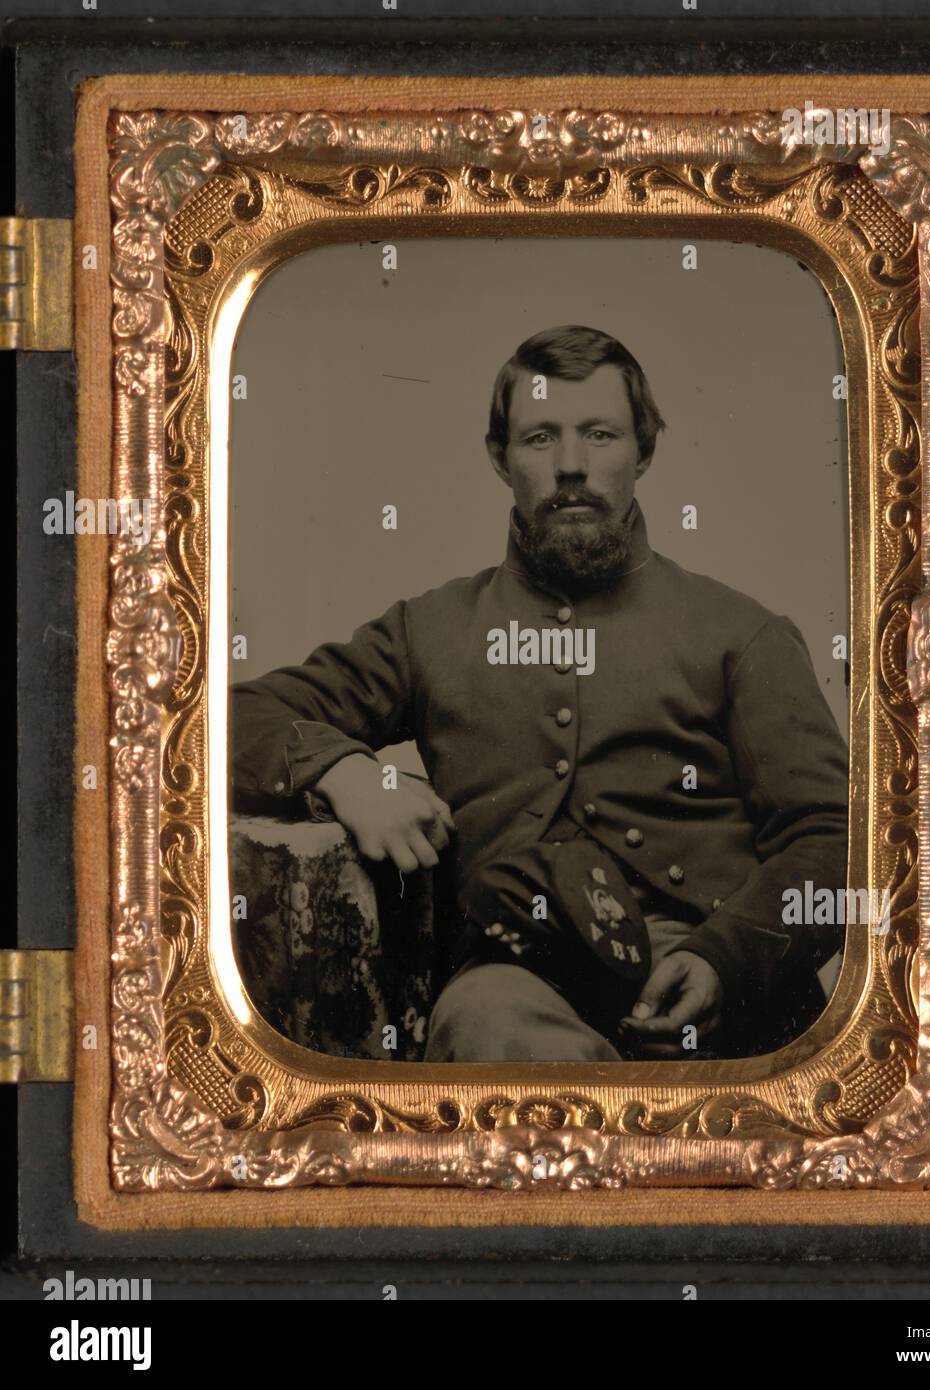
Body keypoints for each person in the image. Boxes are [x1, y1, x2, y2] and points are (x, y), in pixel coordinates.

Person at [231, 325, 849, 1062]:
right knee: (490, 1029)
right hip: (518, 980)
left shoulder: (741, 634)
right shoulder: (428, 631)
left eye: (599, 435)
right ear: (500, 458)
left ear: (643, 450)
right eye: (538, 439)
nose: (571, 467)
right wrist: (346, 773)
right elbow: (231, 718)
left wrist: (723, 960)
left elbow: (834, 839)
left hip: (716, 975)